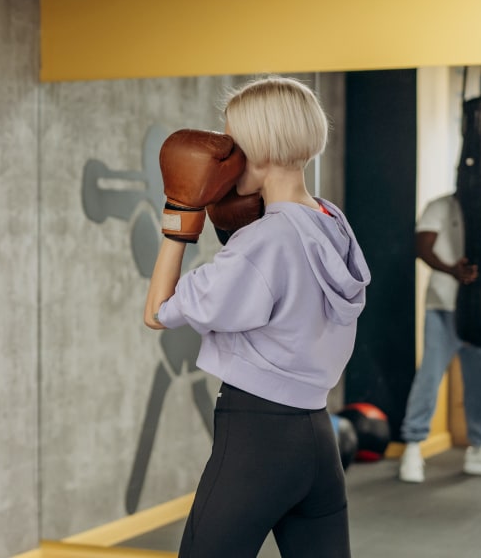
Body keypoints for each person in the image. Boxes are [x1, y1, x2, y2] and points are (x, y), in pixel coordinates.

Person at [144, 76, 370, 558]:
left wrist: (180, 213)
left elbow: (160, 311)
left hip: (257, 440)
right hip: (317, 438)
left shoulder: (265, 241)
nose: (225, 158)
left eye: (232, 145)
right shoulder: (332, 222)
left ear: (260, 147)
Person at [397, 193, 481, 483]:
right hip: (444, 307)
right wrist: (452, 269)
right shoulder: (440, 206)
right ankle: (413, 447)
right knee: (430, 376)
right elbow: (422, 246)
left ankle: (479, 449)